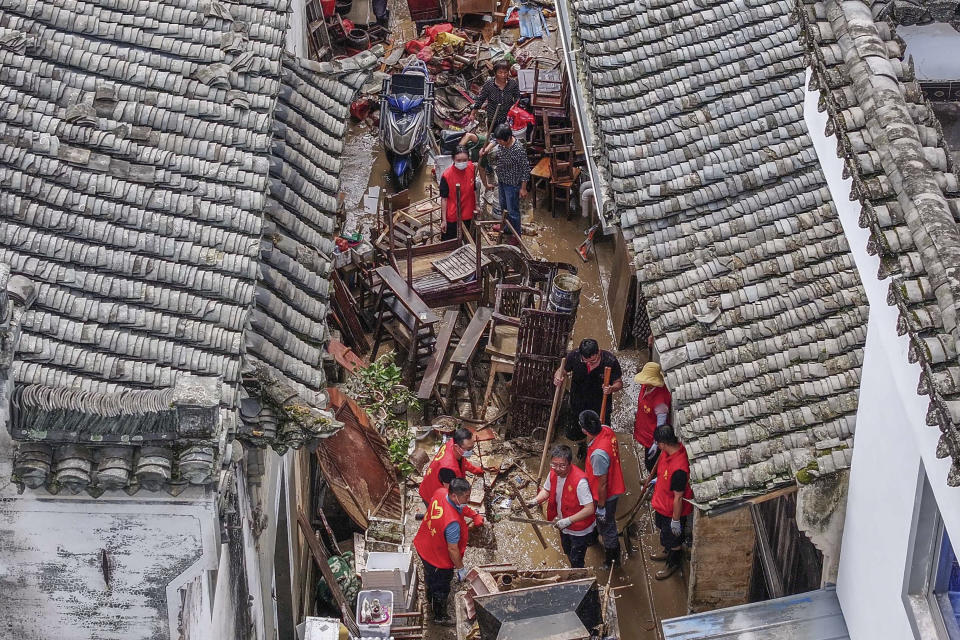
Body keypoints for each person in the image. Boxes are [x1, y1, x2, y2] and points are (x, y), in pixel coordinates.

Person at [413, 478, 482, 625]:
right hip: (436, 558)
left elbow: (461, 507)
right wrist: (461, 568)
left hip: (424, 543)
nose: (468, 500)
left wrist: (474, 514)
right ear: (454, 496)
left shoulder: (440, 492)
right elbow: (452, 549)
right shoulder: (452, 523)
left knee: (429, 575)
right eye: (466, 497)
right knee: (441, 586)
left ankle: (428, 594)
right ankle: (439, 616)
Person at [526, 445, 596, 568]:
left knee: (577, 559)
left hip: (579, 529)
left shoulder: (580, 482)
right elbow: (547, 490)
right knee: (567, 550)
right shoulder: (553, 473)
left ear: (570, 464)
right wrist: (535, 501)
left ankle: (583, 580)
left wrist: (569, 520)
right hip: (563, 523)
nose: (557, 469)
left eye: (562, 465)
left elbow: (590, 509)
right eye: (554, 464)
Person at [639, 425, 693, 580]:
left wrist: (675, 520)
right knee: (664, 532)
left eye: (658, 443)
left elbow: (678, 498)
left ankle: (673, 562)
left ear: (663, 443)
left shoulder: (679, 470)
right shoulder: (666, 451)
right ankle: (666, 550)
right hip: (661, 503)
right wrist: (653, 478)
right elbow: (661, 463)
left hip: (671, 510)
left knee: (674, 538)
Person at [554, 339, 623, 450]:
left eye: (593, 361)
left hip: (600, 404)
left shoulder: (610, 361)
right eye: (586, 361)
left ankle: (596, 449)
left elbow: (618, 383)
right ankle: (582, 445)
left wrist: (611, 388)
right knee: (576, 432)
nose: (589, 364)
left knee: (600, 433)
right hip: (578, 401)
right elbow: (562, 370)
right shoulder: (574, 356)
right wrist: (558, 377)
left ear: (598, 352)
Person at [580, 410, 626, 568]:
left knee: (607, 526)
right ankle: (592, 538)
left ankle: (613, 560)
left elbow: (603, 484)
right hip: (612, 483)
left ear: (585, 431)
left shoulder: (598, 454)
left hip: (606, 495)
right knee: (599, 521)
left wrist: (600, 506)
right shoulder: (607, 429)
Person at [419, 427, 494, 505]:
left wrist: (476, 470)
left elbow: (463, 461)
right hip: (431, 494)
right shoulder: (448, 469)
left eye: (472, 447)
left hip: (434, 480)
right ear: (457, 447)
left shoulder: (453, 444)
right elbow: (450, 495)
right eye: (469, 449)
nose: (471, 451)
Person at [481, 124, 529, 238]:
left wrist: (523, 188)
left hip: (512, 184)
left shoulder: (518, 150)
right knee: (504, 207)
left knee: (513, 212)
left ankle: (516, 236)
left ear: (508, 138)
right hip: (502, 180)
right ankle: (507, 227)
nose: (499, 143)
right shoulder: (501, 140)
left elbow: (525, 169)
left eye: (501, 141)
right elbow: (494, 140)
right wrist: (486, 150)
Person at [633, 362, 672, 472]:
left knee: (651, 464)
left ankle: (653, 482)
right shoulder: (645, 386)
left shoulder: (660, 400)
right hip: (644, 430)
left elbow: (661, 424)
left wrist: (656, 442)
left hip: (652, 437)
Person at [438, 147, 479, 241]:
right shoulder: (447, 175)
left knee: (470, 239)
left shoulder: (471, 168)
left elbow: (474, 189)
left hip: (469, 212)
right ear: (453, 159)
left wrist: (477, 205)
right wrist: (444, 220)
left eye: (465, 160)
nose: (462, 163)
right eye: (459, 160)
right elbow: (444, 199)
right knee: (450, 242)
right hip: (453, 214)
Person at [471, 60, 519, 131]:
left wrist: (514, 106)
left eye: (505, 72)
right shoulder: (489, 84)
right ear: (495, 73)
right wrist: (473, 113)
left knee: (505, 136)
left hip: (507, 116)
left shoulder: (512, 83)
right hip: (493, 116)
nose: (503, 75)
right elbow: (481, 99)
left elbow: (517, 97)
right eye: (500, 72)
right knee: (493, 135)